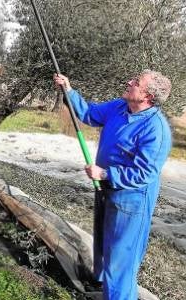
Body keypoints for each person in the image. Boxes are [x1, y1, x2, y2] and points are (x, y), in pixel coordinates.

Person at [54, 70, 172, 300]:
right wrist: (68, 90)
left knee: (120, 261)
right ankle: (101, 289)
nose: (129, 82)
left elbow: (145, 173)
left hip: (131, 201)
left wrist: (105, 173)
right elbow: (88, 114)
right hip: (106, 191)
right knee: (103, 247)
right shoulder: (119, 107)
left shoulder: (156, 129)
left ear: (147, 96)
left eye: (136, 83)